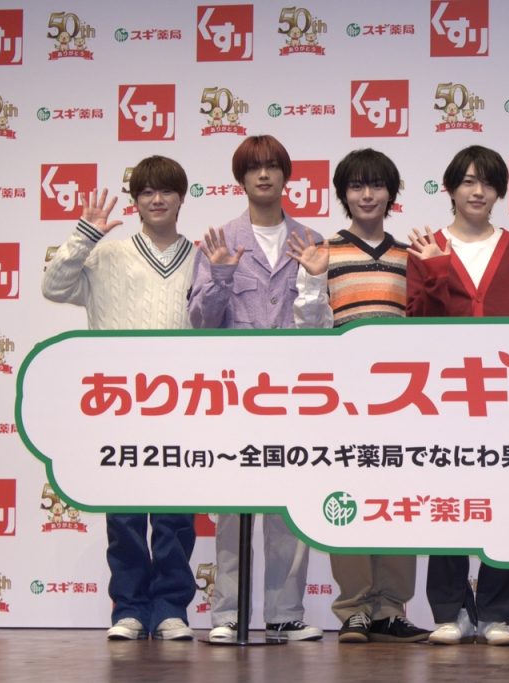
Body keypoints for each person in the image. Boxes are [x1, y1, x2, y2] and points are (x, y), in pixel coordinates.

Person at [42, 156, 197, 641]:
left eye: (166, 191)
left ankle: (171, 608)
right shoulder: (107, 255)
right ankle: (128, 608)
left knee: (174, 516)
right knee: (125, 515)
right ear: (134, 201)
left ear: (182, 198)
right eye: (146, 191)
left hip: (185, 404)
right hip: (118, 403)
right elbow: (53, 286)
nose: (157, 199)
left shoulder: (202, 257)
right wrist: (85, 234)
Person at [188, 135, 331, 643]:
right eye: (254, 168)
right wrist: (221, 276)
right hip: (235, 395)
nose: (264, 175)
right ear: (241, 178)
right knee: (231, 508)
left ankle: (284, 613)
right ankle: (227, 614)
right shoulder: (221, 239)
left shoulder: (311, 239)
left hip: (294, 393)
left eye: (273, 166)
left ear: (286, 175)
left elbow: (320, 326)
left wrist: (314, 279)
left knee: (288, 507)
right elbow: (201, 322)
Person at [407, 145, 509, 646]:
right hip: (444, 397)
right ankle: (449, 611)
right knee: (448, 500)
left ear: (499, 192)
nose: (477, 191)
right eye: (467, 181)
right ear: (450, 188)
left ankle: (495, 613)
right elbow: (417, 325)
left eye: (487, 182)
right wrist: (435, 269)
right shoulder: (426, 247)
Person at [325, 148, 430, 644]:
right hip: (341, 400)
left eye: (376, 185)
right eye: (356, 186)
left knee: (398, 502)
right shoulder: (324, 254)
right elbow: (310, 325)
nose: (367, 195)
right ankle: (354, 608)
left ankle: (390, 607)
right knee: (347, 499)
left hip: (401, 400)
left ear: (392, 193)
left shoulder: (411, 256)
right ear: (343, 194)